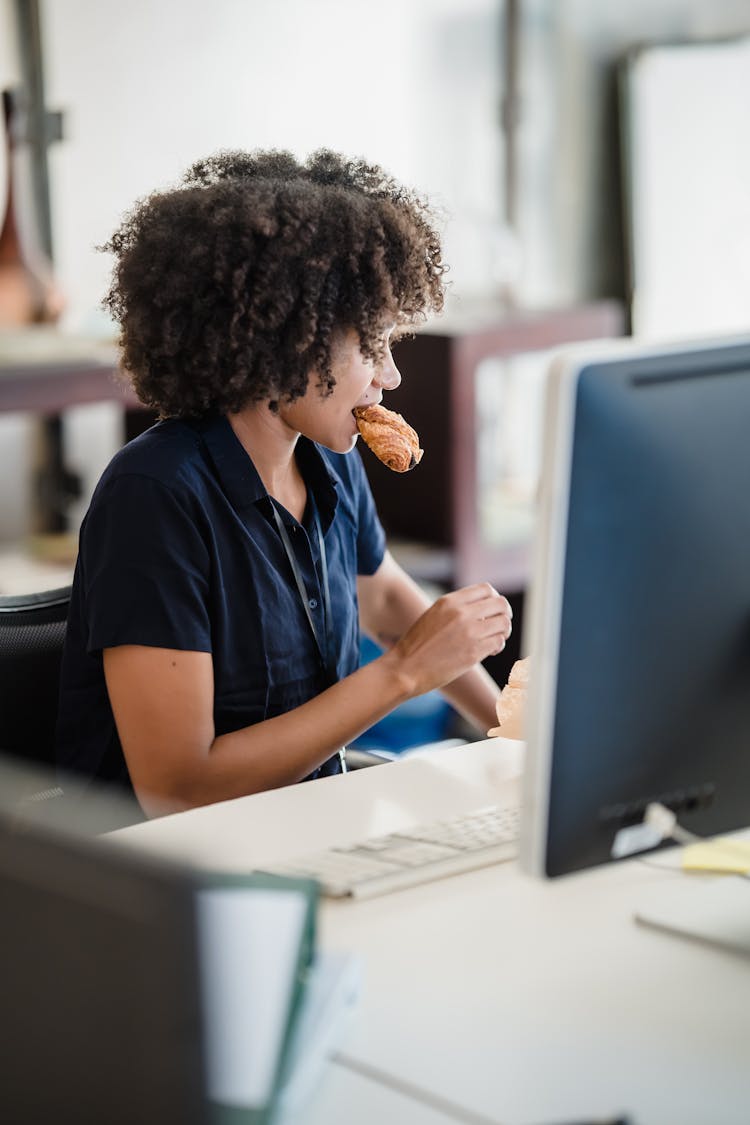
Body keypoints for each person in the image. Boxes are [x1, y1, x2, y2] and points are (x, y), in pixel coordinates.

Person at [55, 149, 512, 818]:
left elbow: (383, 597)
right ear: (286, 338)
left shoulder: (329, 459)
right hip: (166, 885)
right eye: (371, 345)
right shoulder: (154, 495)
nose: (392, 377)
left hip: (307, 827)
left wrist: (510, 725)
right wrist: (405, 673)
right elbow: (177, 789)